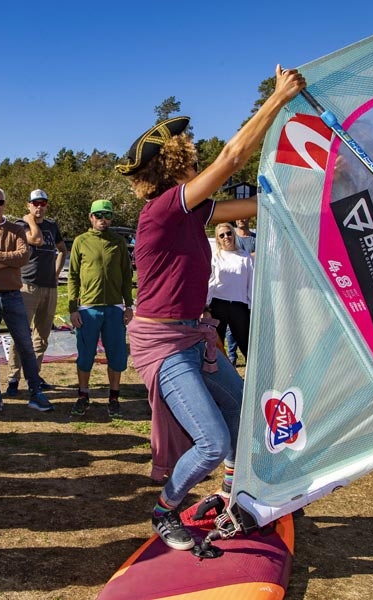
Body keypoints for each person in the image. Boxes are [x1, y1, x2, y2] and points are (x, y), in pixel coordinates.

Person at [119, 66, 306, 551]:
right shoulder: (163, 209)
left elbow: (256, 208)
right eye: (190, 150)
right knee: (213, 442)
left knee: (245, 418)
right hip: (163, 343)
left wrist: (307, 185)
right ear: (174, 161)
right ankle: (165, 511)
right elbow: (233, 155)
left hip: (193, 333)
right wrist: (277, 100)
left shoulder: (191, 210)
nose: (198, 152)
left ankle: (228, 496)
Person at [0, 184, 54, 412]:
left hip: (14, 295)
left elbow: (23, 256)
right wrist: (8, 260)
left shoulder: (16, 229)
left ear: (4, 204)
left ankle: (35, 391)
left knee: (26, 344)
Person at [67, 199, 133, 418]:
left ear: (112, 218)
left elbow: (126, 275)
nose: (102, 219)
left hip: (114, 308)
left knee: (117, 355)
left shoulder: (118, 242)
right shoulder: (80, 241)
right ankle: (83, 396)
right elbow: (73, 276)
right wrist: (73, 308)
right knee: (85, 355)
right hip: (87, 308)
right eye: (98, 215)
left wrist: (129, 305)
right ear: (90, 217)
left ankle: (114, 398)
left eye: (107, 215)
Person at [5, 189, 67, 397]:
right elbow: (36, 239)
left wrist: (56, 273)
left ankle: (35, 375)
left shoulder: (52, 226)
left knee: (42, 336)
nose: (39, 207)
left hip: (50, 287)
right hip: (27, 286)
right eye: (35, 203)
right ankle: (13, 377)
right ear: (28, 204)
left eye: (43, 203)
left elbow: (62, 249)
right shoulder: (20, 226)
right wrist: (30, 220)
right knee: (21, 334)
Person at [207, 222, 254, 365]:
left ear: (233, 235)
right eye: (222, 235)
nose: (226, 237)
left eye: (228, 233)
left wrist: (251, 306)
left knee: (246, 343)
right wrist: (206, 306)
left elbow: (251, 283)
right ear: (218, 239)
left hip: (239, 306)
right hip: (218, 304)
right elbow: (210, 281)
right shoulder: (215, 257)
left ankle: (254, 379)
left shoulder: (245, 257)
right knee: (216, 344)